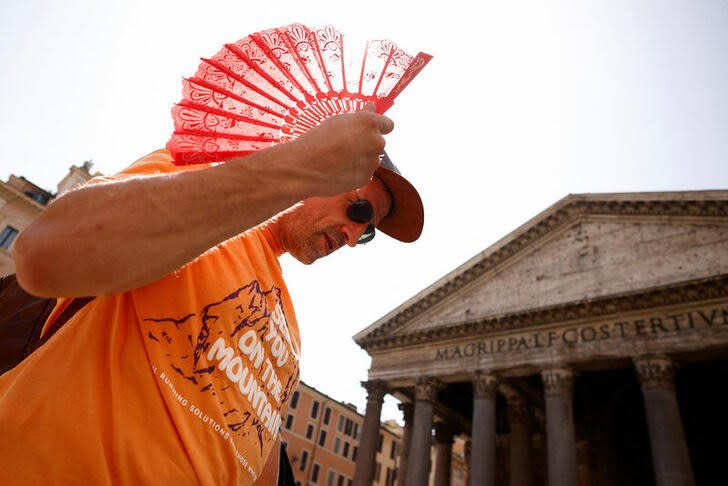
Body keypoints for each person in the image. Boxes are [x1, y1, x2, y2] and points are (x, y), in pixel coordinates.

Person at [0, 105, 424, 484]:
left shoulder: (291, 335)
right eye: (360, 210)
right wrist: (292, 168)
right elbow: (45, 252)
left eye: (367, 234)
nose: (353, 237)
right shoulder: (197, 187)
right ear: (324, 174)